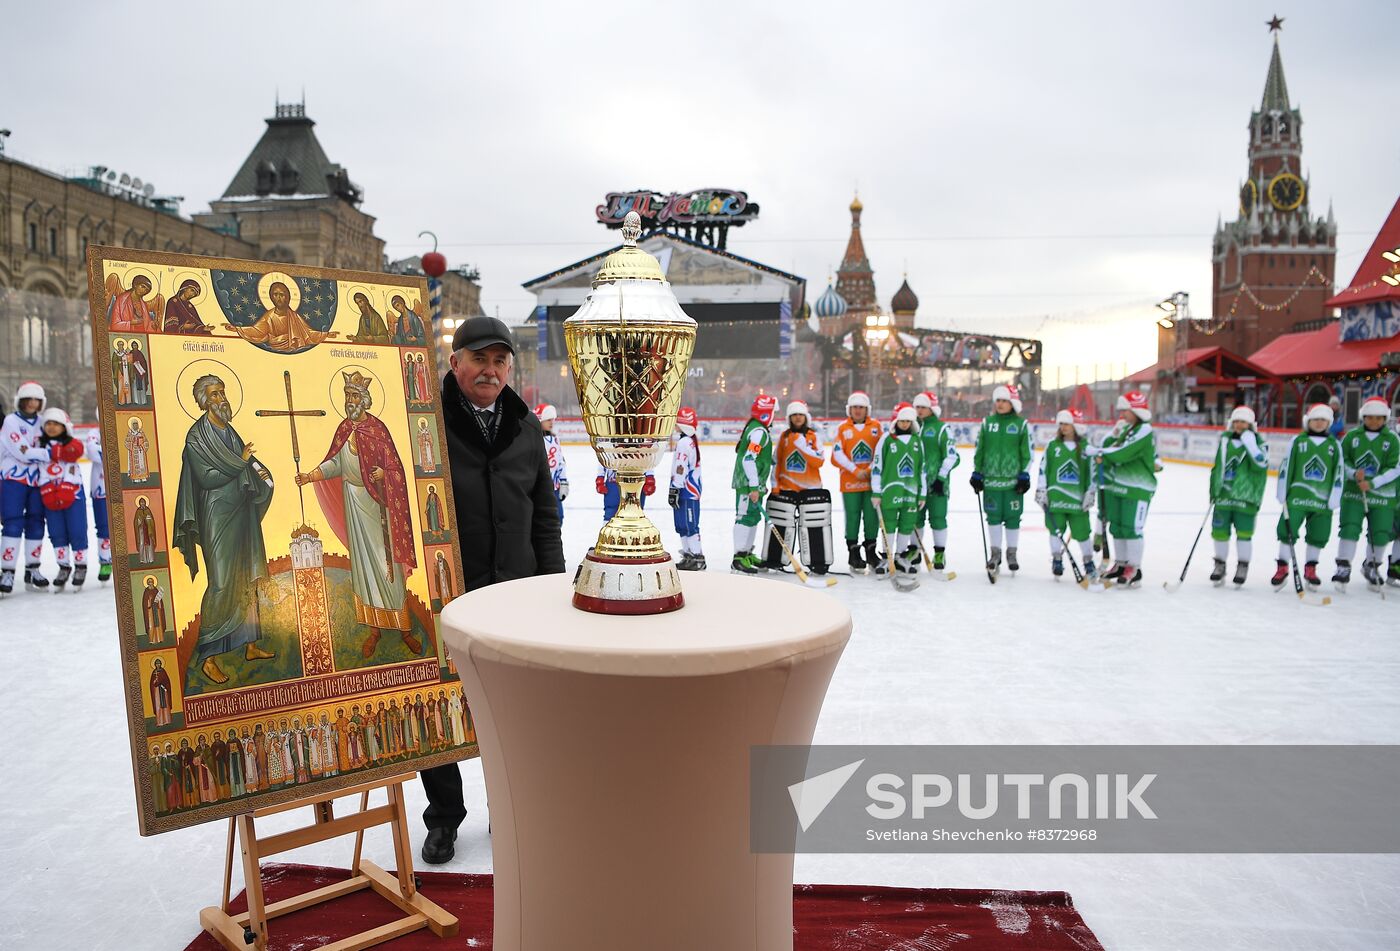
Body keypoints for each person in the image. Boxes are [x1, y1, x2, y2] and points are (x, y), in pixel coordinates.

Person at [422, 314, 564, 865]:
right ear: (454, 362)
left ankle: (510, 809)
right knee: (441, 707)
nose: (490, 369)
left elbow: (544, 515)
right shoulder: (426, 424)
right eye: (479, 358)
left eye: (499, 360)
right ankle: (444, 818)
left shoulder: (525, 428)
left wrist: (551, 584)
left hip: (515, 594)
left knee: (514, 713)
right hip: (447, 594)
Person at [297, 371, 420, 658]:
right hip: (354, 506)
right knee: (363, 567)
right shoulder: (344, 430)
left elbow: (397, 469)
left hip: (378, 507)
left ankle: (405, 630)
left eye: (354, 396)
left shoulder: (378, 430)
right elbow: (335, 464)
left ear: (364, 400)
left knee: (385, 566)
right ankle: (374, 630)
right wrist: (311, 475)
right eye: (347, 396)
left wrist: (383, 473)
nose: (350, 401)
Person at [171, 374, 276, 685]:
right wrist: (242, 462)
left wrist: (261, 472)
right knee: (220, 582)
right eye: (215, 394)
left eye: (223, 392)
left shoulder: (228, 430)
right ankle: (208, 656)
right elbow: (207, 477)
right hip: (216, 515)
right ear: (204, 401)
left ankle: (251, 644)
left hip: (241, 511)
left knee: (247, 575)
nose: (221, 399)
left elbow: (245, 460)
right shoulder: (196, 437)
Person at [1084, 391, 1157, 588]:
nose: (1122, 414)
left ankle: (1135, 568)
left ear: (1136, 410)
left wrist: (1099, 452)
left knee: (1132, 528)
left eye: (1126, 410)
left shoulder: (1144, 429)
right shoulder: (1129, 429)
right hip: (1120, 486)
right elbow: (1115, 446)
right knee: (1118, 526)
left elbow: (1123, 453)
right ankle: (1122, 564)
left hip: (1138, 487)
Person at [1273, 403, 1343, 589]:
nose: (1319, 423)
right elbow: (1287, 467)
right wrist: (1282, 491)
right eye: (1315, 419)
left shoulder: (1334, 445)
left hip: (1322, 500)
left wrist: (1336, 495)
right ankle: (1282, 567)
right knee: (1287, 531)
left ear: (1329, 422)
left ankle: (1310, 569)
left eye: (1323, 420)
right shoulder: (1297, 441)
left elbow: (1339, 471)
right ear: (1308, 421)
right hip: (1297, 496)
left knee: (1318, 534)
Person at [1334, 397, 1399, 590]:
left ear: (1385, 418)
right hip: (1354, 494)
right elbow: (1341, 461)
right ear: (1364, 416)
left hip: (1383, 496)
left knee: (1380, 533)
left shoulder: (1393, 439)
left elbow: (1395, 468)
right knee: (1350, 528)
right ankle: (1343, 566)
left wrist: (1373, 483)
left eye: (1379, 418)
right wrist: (1353, 473)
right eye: (1370, 417)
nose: (1374, 421)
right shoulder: (1352, 437)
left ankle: (1372, 566)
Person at [969, 384, 1031, 576]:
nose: (1000, 404)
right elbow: (980, 450)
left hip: (1013, 482)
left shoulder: (1021, 425)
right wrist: (977, 472)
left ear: (1013, 403)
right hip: (992, 482)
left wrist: (1024, 474)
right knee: (993, 517)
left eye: (1005, 401)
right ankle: (995, 553)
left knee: (1013, 518)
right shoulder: (987, 423)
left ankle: (1011, 553)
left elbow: (1026, 452)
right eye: (998, 400)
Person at [764, 401, 831, 574]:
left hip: (811, 488)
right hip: (787, 488)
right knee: (780, 524)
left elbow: (819, 461)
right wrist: (775, 486)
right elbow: (777, 463)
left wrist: (801, 444)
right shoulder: (784, 438)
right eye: (794, 415)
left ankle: (818, 562)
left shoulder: (813, 437)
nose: (797, 418)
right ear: (789, 418)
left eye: (800, 415)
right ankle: (775, 559)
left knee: (814, 525)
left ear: (806, 417)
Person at [1208, 406, 1269, 586]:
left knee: (1244, 534)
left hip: (1246, 497)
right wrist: (1213, 490)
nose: (1239, 425)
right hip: (1224, 495)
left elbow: (1261, 465)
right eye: (1236, 421)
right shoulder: (1225, 441)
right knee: (1219, 533)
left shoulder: (1259, 443)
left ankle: (1243, 565)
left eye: (1243, 422)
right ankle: (1219, 565)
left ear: (1250, 424)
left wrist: (1250, 443)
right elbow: (1217, 466)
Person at [1, 381, 51, 594]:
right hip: (13, 479)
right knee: (12, 523)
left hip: (37, 481)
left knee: (36, 522)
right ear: (20, 400)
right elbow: (22, 451)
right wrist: (41, 453)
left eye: (36, 400)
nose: (32, 403)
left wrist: (39, 452)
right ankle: (7, 571)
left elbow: (52, 447)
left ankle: (33, 568)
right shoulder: (11, 422)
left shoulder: (43, 422)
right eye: (28, 399)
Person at [1036, 409, 1097, 580]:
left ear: (1076, 425)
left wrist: (1091, 492)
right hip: (1056, 497)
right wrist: (1041, 489)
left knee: (1082, 531)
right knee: (1055, 530)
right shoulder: (1053, 446)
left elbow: (1092, 472)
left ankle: (1088, 561)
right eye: (1061, 424)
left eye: (1067, 424)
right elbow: (1043, 468)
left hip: (1078, 500)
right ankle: (1056, 558)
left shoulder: (1086, 448)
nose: (1063, 427)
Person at [872, 405, 925, 582]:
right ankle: (887, 558)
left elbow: (922, 469)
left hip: (911, 491)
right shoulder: (886, 440)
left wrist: (923, 493)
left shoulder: (917, 441)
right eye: (901, 420)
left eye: (907, 421)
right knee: (889, 524)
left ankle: (900, 557)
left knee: (907, 525)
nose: (904, 424)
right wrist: (876, 491)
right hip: (889, 490)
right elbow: (877, 467)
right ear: (896, 421)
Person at [37, 408, 88, 589]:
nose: (51, 427)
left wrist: (67, 486)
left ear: (64, 426)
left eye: (56, 424)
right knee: (57, 532)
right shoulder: (40, 446)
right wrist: (47, 489)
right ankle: (64, 566)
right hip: (50, 496)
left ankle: (81, 565)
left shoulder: (72, 443)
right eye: (48, 424)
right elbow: (40, 470)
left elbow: (76, 452)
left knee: (77, 530)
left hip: (72, 495)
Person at [830, 391, 882, 572]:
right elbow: (837, 453)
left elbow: (881, 452)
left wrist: (869, 470)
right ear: (849, 410)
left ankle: (871, 551)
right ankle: (853, 553)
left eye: (861, 407)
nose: (858, 411)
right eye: (854, 407)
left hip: (871, 482)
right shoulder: (843, 429)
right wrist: (855, 470)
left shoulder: (876, 427)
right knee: (852, 517)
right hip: (850, 482)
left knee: (871, 516)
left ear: (867, 409)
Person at [731, 394, 777, 574]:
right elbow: (749, 460)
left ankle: (747, 553)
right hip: (747, 485)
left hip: (754, 485)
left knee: (752, 517)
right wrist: (752, 486)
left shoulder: (758, 429)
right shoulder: (759, 433)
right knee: (744, 518)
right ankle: (738, 557)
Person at [914, 391, 959, 574]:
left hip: (936, 484)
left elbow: (952, 456)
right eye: (917, 407)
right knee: (915, 519)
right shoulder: (913, 427)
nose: (919, 411)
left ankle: (939, 552)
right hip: (916, 484)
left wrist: (941, 478)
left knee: (938, 518)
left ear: (932, 409)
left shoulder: (941, 428)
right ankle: (914, 551)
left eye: (923, 407)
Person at [668, 406, 704, 570]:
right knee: (682, 524)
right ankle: (689, 554)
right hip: (685, 490)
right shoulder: (688, 441)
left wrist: (675, 488)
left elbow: (680, 467)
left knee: (689, 525)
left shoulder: (684, 442)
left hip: (687, 491)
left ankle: (697, 556)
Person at [534, 403, 569, 522]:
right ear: (539, 420)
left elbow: (560, 462)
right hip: (539, 488)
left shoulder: (555, 439)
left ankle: (554, 541)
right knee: (542, 519)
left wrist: (563, 482)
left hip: (554, 488)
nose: (551, 422)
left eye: (552, 419)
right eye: (548, 420)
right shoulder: (534, 439)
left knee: (558, 517)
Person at [85, 428, 112, 582]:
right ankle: (105, 561)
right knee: (103, 527)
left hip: (122, 487)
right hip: (100, 488)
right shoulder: (94, 432)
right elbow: (92, 452)